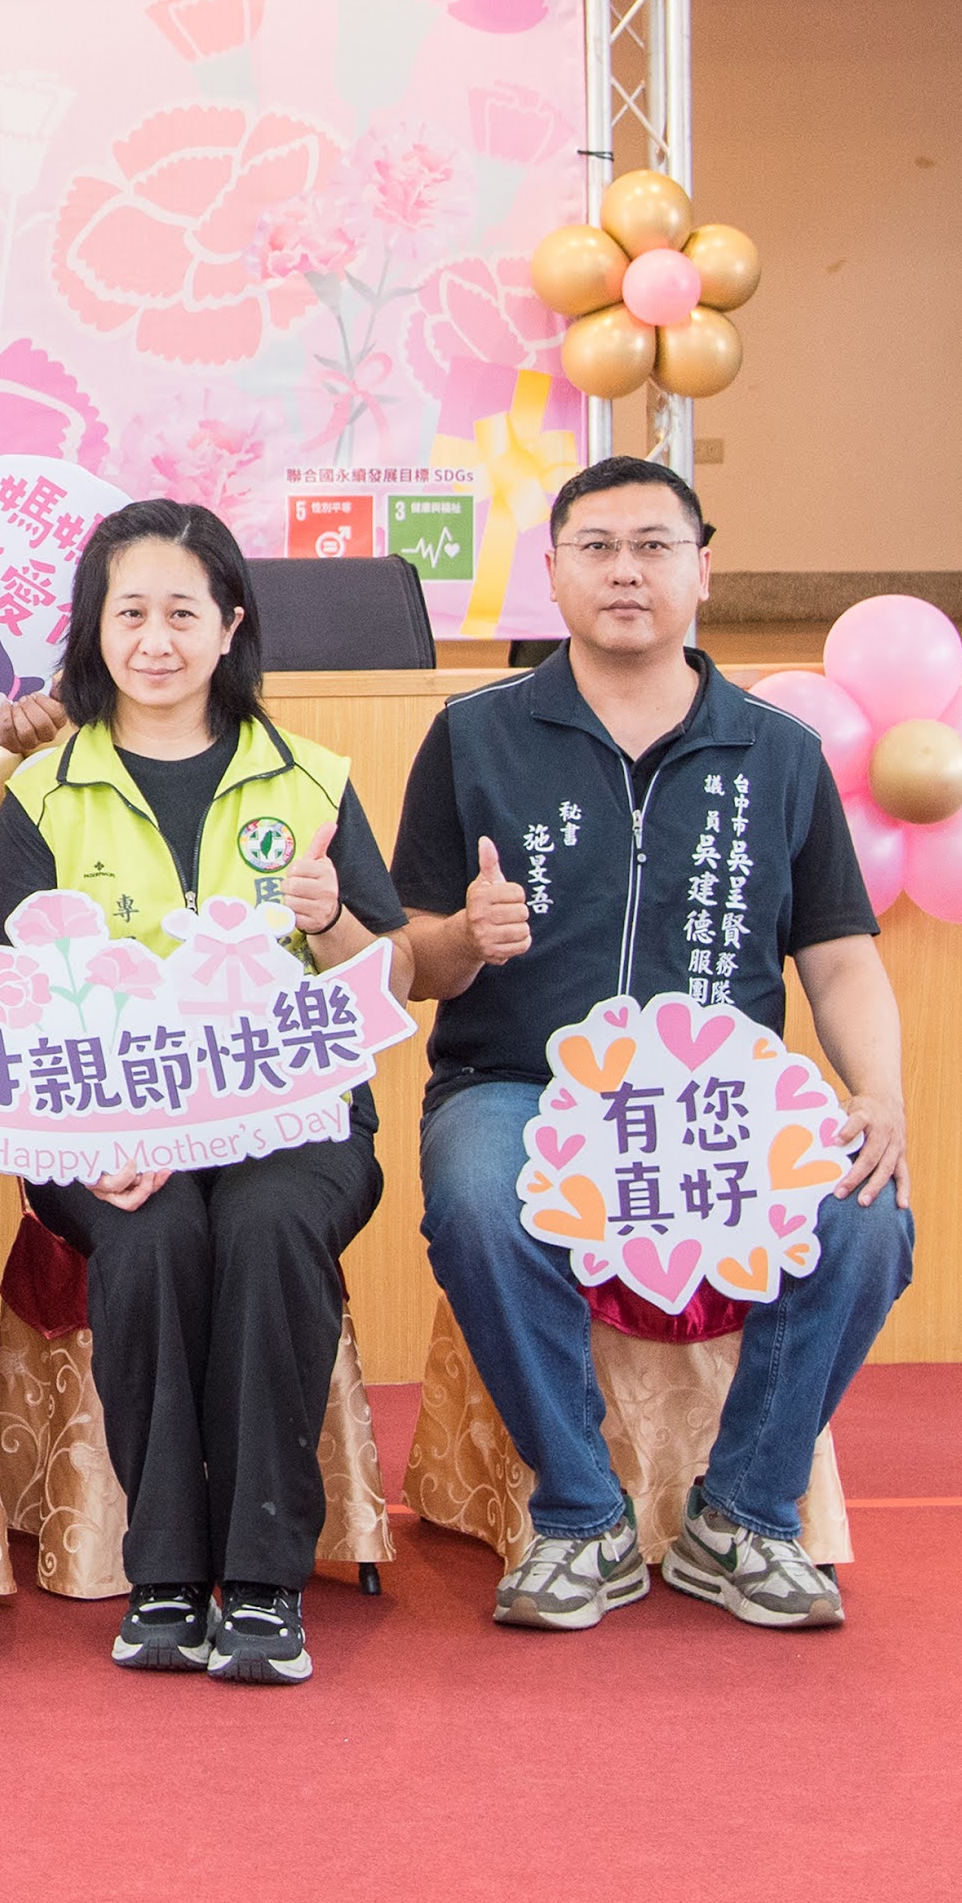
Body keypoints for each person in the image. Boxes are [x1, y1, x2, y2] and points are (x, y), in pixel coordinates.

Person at [391, 457, 913, 1636]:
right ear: (552, 571)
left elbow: (837, 957)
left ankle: (743, 1513)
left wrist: (876, 1090)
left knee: (866, 1215)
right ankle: (580, 1517)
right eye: (595, 547)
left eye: (652, 546)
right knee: (475, 1196)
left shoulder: (777, 752)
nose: (623, 571)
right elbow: (410, 960)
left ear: (701, 570)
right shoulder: (472, 736)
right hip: (515, 1082)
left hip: (719, 1111)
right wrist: (463, 939)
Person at [0, 500, 404, 1687]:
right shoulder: (43, 793)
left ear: (229, 626)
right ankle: (165, 1571)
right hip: (107, 1126)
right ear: (92, 629)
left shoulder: (308, 779)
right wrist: (96, 1137)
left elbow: (385, 980)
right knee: (152, 1235)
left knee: (268, 1228)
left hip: (291, 1119)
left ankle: (264, 1579)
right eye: (128, 613)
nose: (154, 640)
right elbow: (23, 1004)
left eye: (182, 612)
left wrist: (331, 920)